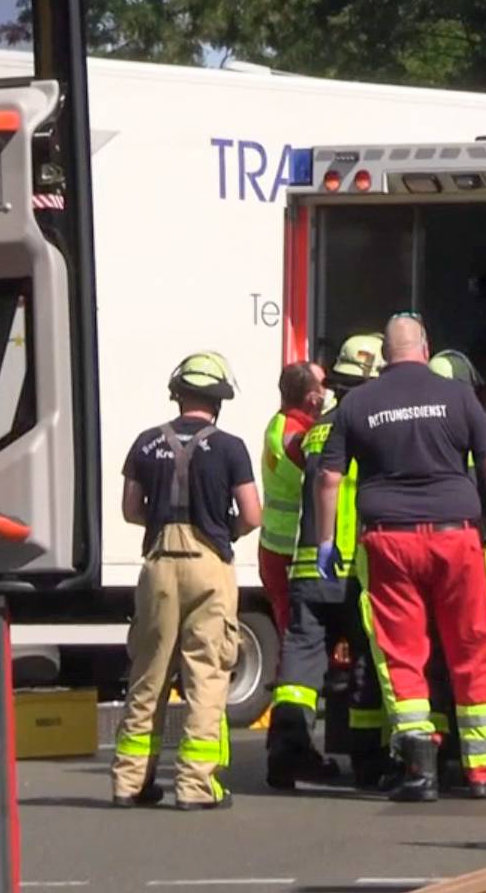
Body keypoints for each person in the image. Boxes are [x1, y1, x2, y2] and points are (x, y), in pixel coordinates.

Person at [316, 315, 486, 801]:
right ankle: (484, 773)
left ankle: (419, 771)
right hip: (458, 537)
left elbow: (329, 480)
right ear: (425, 348)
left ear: (385, 355)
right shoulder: (458, 396)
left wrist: (328, 542)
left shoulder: (358, 402)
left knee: (402, 653)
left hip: (389, 541)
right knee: (473, 646)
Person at [112, 352, 260, 811]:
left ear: (178, 394)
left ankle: (129, 783)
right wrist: (224, 532)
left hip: (158, 563)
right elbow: (252, 514)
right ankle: (196, 786)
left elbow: (131, 510)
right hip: (210, 563)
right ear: (219, 400)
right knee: (207, 673)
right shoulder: (231, 447)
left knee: (149, 672)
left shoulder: (145, 442)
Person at [284, 333, 388, 789]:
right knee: (365, 663)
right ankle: (368, 763)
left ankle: (286, 755)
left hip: (308, 568)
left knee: (300, 671)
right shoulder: (371, 429)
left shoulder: (315, 430)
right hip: (355, 568)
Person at [259, 361, 339, 788]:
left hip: (281, 550)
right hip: (292, 554)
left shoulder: (286, 423)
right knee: (298, 656)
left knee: (297, 654)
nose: (327, 391)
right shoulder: (296, 433)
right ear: (311, 396)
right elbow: (323, 469)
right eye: (324, 386)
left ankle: (293, 748)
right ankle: (291, 749)